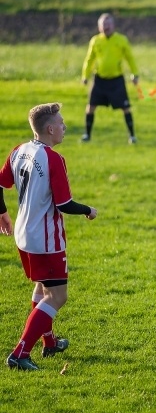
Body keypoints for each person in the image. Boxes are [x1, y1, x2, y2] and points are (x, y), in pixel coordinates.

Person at [0, 103, 98, 371]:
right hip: (46, 239)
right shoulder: (54, 159)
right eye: (62, 123)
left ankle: (50, 342)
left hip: (23, 234)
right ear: (50, 128)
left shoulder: (19, 151)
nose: (65, 127)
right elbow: (64, 203)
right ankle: (20, 352)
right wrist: (89, 210)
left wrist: (2, 214)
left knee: (43, 287)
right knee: (57, 296)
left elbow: (0, 183)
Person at [81, 13, 140, 144]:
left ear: (113, 26)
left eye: (108, 24)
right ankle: (87, 135)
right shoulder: (95, 41)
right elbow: (89, 59)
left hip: (116, 80)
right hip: (100, 80)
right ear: (99, 27)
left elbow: (130, 58)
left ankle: (132, 136)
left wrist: (135, 74)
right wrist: (85, 75)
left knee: (126, 108)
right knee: (90, 107)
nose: (106, 27)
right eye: (103, 25)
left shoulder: (121, 40)